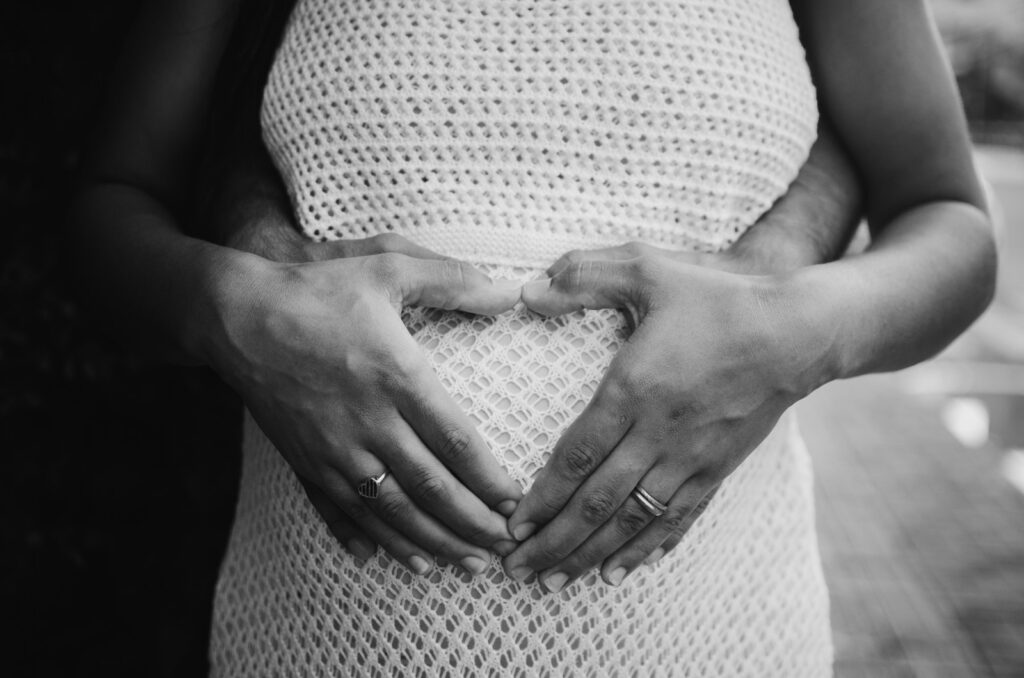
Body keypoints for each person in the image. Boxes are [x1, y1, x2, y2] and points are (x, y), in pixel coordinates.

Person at [68, 0, 994, 676]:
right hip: (319, 636)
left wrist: (802, 332)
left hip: (716, 633)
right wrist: (237, 310)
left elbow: (949, 219)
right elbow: (113, 212)